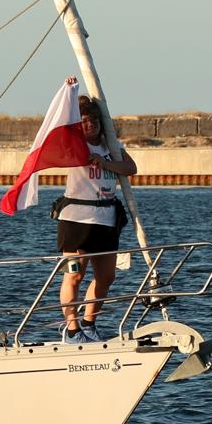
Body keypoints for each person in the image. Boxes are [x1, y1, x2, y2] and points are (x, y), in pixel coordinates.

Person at [57, 92, 138, 344]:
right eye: (84, 121)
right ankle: (72, 329)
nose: (90, 125)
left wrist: (105, 163)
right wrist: (71, 93)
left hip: (105, 220)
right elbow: (63, 122)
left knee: (106, 276)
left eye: (94, 121)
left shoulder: (110, 147)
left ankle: (89, 323)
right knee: (74, 275)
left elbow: (130, 168)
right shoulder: (75, 144)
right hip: (76, 221)